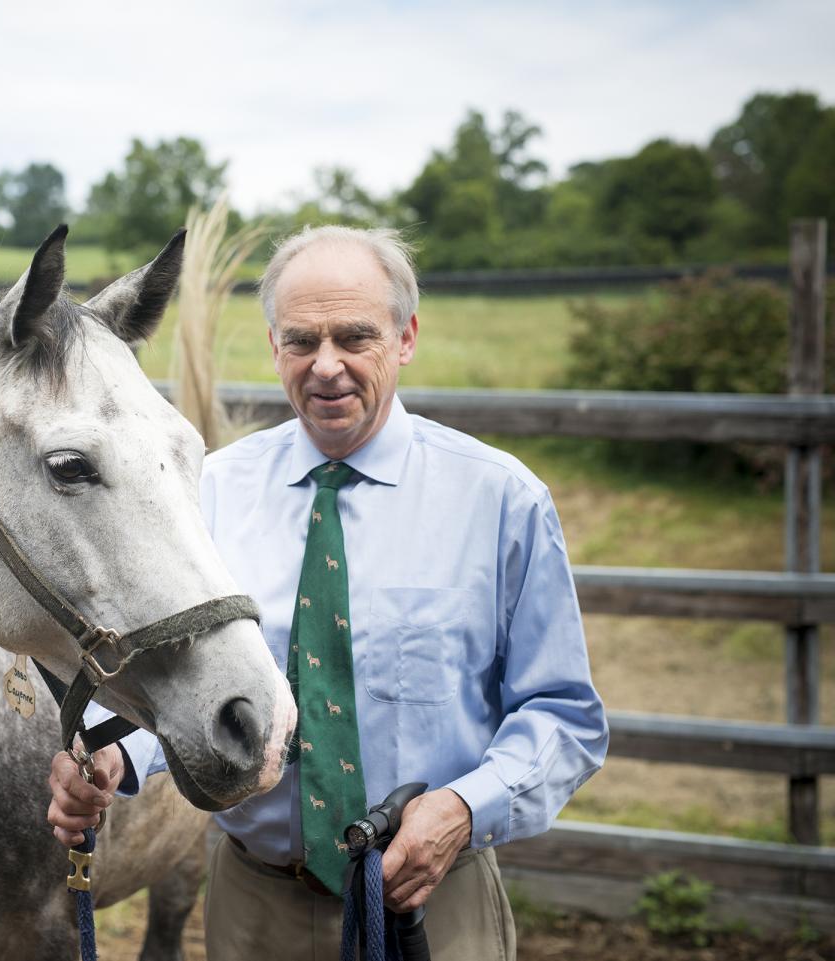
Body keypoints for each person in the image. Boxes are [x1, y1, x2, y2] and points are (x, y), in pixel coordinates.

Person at [46, 225, 608, 961]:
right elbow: (180, 684)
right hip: (253, 906)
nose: (328, 366)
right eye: (302, 340)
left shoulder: (500, 501)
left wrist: (466, 809)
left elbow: (565, 714)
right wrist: (116, 757)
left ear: (405, 337)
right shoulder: (209, 494)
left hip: (436, 907)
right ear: (274, 346)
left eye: (354, 336)